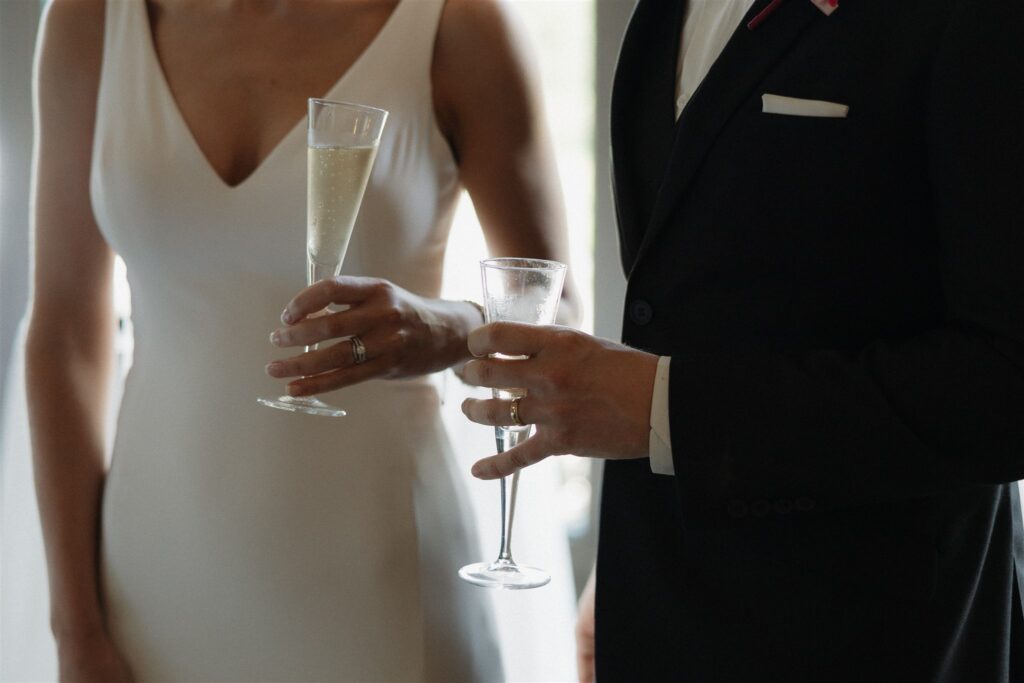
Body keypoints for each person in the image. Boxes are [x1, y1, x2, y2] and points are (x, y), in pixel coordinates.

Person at [10, 0, 580, 679]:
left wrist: (445, 329)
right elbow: (65, 329)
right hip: (149, 585)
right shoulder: (94, 18)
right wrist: (75, 628)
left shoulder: (457, 24)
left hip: (380, 578)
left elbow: (560, 313)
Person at [461, 0, 1024, 681]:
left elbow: (1004, 385)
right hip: (660, 610)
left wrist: (666, 410)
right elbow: (682, 294)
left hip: (875, 633)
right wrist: (626, 570)